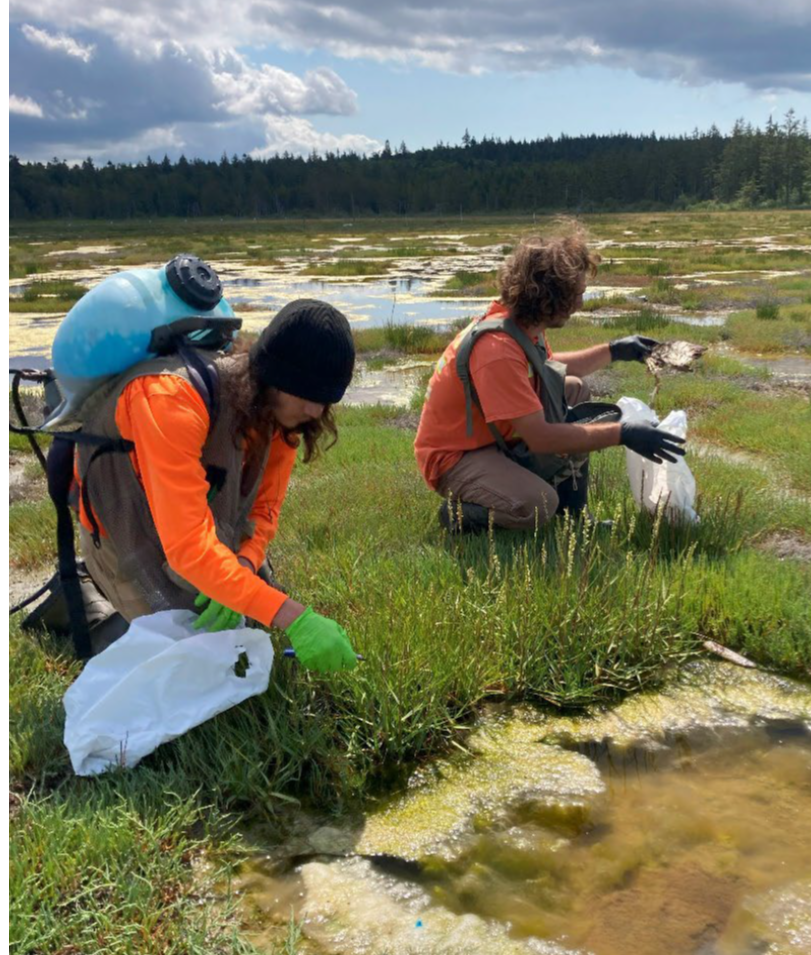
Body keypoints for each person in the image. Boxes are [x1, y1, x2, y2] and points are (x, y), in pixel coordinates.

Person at [75, 298, 359, 672]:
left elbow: (263, 511)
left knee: (243, 625)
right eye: (309, 397)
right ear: (273, 376)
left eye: (325, 401)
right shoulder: (169, 399)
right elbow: (188, 549)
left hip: (188, 523)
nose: (316, 413)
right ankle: (83, 597)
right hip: (123, 530)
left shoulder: (278, 412)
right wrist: (294, 617)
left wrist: (243, 564)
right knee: (186, 660)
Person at [414, 227, 686, 533]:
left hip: (491, 439)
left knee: (573, 388)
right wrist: (621, 433)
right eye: (577, 295)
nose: (580, 304)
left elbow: (548, 368)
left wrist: (616, 350)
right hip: (456, 458)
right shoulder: (497, 350)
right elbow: (541, 438)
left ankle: (574, 517)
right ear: (549, 298)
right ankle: (461, 514)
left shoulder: (522, 324)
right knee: (538, 504)